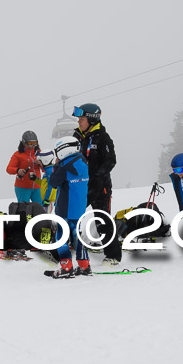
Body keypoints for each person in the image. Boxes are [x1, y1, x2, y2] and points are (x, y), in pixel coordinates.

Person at [71, 103, 122, 265]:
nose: (79, 122)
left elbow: (111, 161)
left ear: (92, 120)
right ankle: (67, 249)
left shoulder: (102, 138)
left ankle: (113, 256)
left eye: (82, 118)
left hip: (100, 187)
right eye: (79, 118)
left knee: (102, 221)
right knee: (71, 216)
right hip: (80, 186)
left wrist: (97, 177)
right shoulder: (77, 137)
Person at [45, 136, 91, 278]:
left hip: (64, 208)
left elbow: (53, 182)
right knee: (78, 238)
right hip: (79, 208)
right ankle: (84, 266)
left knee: (61, 237)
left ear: (64, 150)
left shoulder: (64, 167)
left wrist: (55, 167)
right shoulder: (83, 162)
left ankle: (66, 267)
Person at [6, 130, 43, 204]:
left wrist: (42, 165)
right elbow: (9, 169)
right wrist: (18, 170)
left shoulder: (39, 153)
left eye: (34, 143)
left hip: (37, 186)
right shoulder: (18, 155)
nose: (32, 146)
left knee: (40, 209)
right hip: (23, 188)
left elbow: (46, 169)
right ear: (23, 143)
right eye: (30, 143)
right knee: (24, 210)